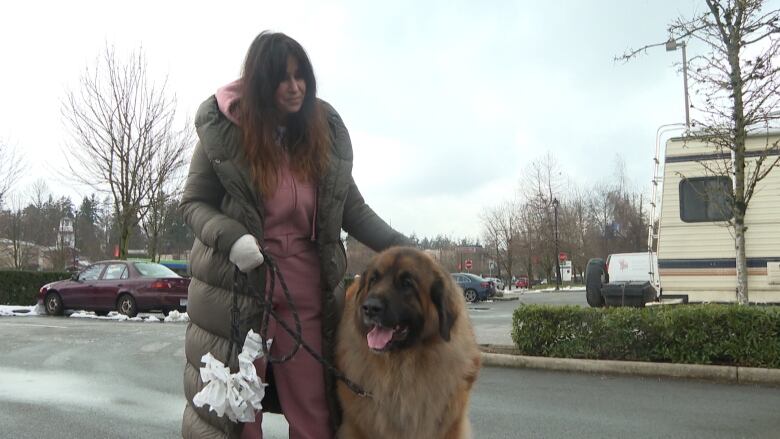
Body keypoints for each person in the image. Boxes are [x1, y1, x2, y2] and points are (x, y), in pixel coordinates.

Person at [180, 31, 409, 439]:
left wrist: (408, 253)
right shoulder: (224, 129)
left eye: (301, 75)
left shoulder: (320, 133)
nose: (295, 86)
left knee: (315, 408)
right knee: (238, 410)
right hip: (240, 286)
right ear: (259, 82)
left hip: (307, 288)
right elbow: (194, 203)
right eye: (282, 78)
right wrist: (232, 238)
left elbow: (352, 210)